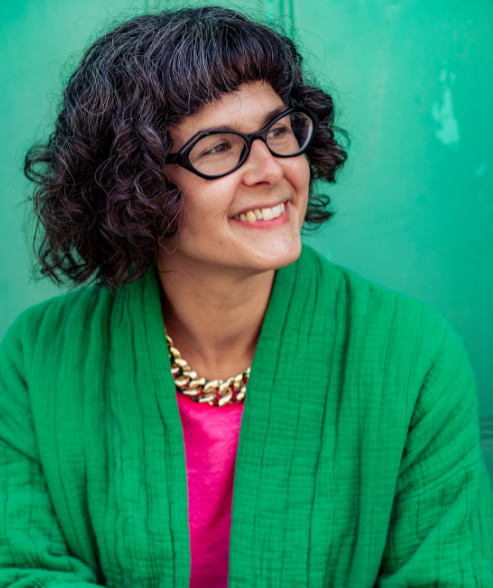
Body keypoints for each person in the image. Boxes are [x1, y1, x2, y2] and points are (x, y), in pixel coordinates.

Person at [0, 6, 492, 588]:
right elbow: (24, 569)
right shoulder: (39, 357)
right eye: (219, 148)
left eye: (279, 130)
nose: (271, 168)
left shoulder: (414, 356)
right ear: (138, 187)